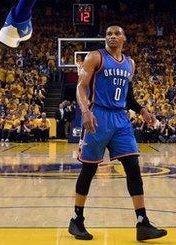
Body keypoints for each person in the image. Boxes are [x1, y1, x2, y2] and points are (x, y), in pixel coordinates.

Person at [69, 26, 167, 241]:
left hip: (121, 119)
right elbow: (81, 86)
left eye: (116, 34)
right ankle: (77, 220)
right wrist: (85, 110)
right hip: (98, 115)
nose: (112, 36)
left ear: (124, 38)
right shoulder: (95, 57)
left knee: (133, 166)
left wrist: (141, 109)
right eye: (108, 34)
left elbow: (128, 95)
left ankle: (143, 223)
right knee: (89, 168)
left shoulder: (130, 63)